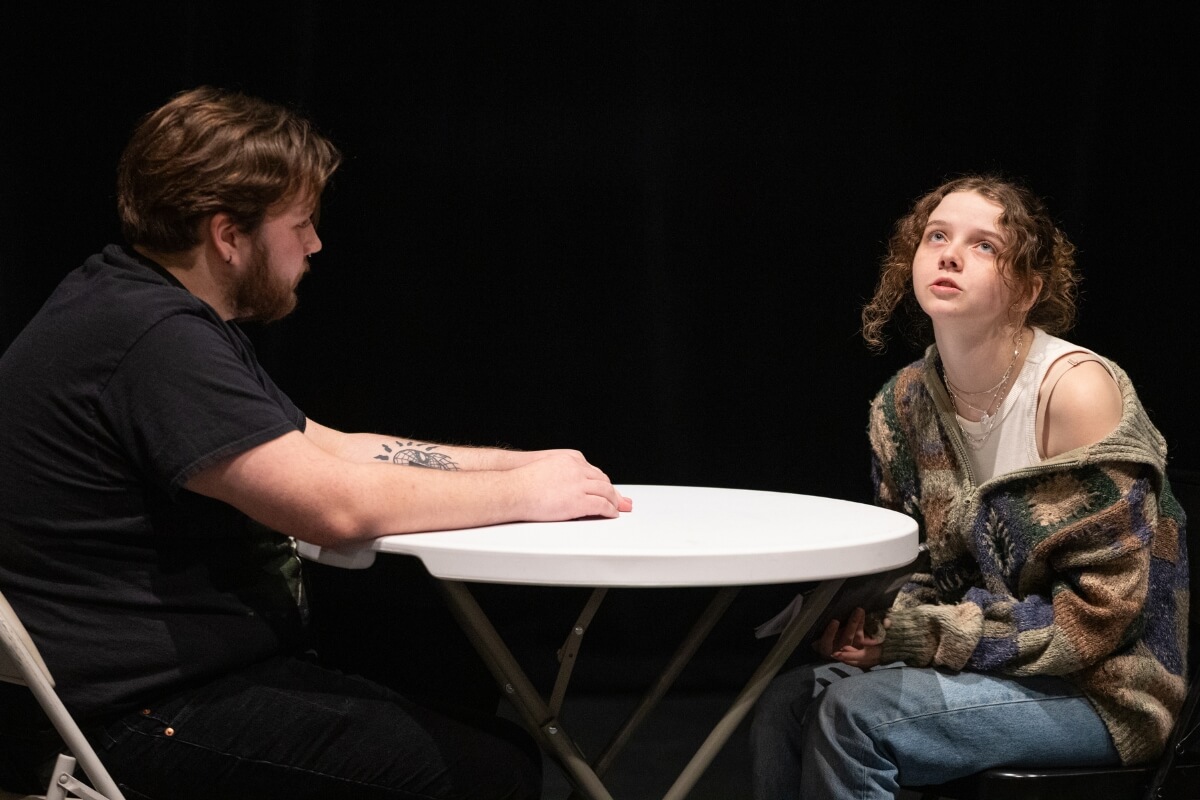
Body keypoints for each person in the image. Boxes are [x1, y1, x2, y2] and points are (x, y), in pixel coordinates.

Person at [0, 86, 631, 799]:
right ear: (227, 235)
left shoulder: (140, 302)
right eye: (300, 223)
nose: (315, 244)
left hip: (156, 687)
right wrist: (523, 493)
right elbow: (329, 508)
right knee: (488, 770)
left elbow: (322, 446)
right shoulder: (152, 337)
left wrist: (522, 464)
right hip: (131, 719)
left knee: (451, 676)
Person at [749, 174, 1189, 798]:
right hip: (991, 664)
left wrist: (914, 637)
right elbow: (919, 571)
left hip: (1104, 689)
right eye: (937, 236)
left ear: (1028, 289)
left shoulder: (1074, 393)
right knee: (786, 704)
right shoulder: (902, 405)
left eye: (984, 245)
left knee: (855, 717)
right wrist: (875, 623)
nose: (950, 253)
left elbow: (1098, 618)